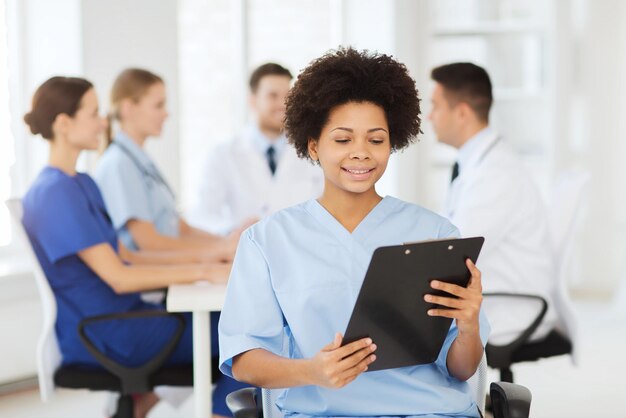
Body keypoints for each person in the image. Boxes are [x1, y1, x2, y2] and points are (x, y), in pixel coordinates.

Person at [219, 48, 490, 417]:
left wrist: (470, 325)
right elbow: (245, 360)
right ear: (313, 145)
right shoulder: (268, 241)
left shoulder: (436, 233)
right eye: (343, 140)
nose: (361, 153)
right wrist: (311, 371)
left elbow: (462, 368)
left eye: (376, 140)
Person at [21, 76, 244, 418]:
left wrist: (210, 262)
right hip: (111, 333)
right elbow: (119, 277)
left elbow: (127, 255)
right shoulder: (54, 192)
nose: (103, 121)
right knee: (250, 334)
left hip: (130, 318)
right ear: (63, 124)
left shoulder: (81, 182)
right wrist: (204, 270)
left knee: (242, 326)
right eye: (94, 113)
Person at [428, 62, 557, 345]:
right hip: (494, 296)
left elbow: (455, 251)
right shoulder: (478, 163)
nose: (429, 116)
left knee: (411, 332)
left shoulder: (495, 173)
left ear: (461, 113)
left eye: (435, 106)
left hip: (510, 307)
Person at [94, 68, 243, 256]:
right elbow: (148, 242)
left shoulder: (140, 162)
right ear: (128, 108)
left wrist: (231, 242)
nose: (166, 114)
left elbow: (181, 229)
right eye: (158, 105)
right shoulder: (119, 164)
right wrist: (220, 249)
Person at [188, 63, 324, 234]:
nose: (283, 104)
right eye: (272, 96)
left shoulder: (313, 151)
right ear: (252, 101)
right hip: (247, 251)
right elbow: (202, 214)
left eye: (288, 96)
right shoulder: (224, 154)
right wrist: (234, 230)